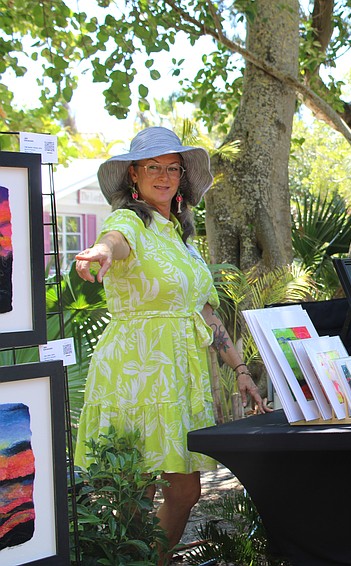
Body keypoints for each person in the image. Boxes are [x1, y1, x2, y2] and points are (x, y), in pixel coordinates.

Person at [73, 127, 272, 561]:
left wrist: (238, 369)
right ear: (133, 175)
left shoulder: (182, 238)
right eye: (152, 167)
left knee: (185, 489)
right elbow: (114, 241)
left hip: (180, 376)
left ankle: (150, 561)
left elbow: (205, 311)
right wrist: (101, 252)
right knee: (137, 489)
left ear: (182, 177)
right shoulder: (129, 221)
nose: (163, 176)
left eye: (172, 168)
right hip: (136, 370)